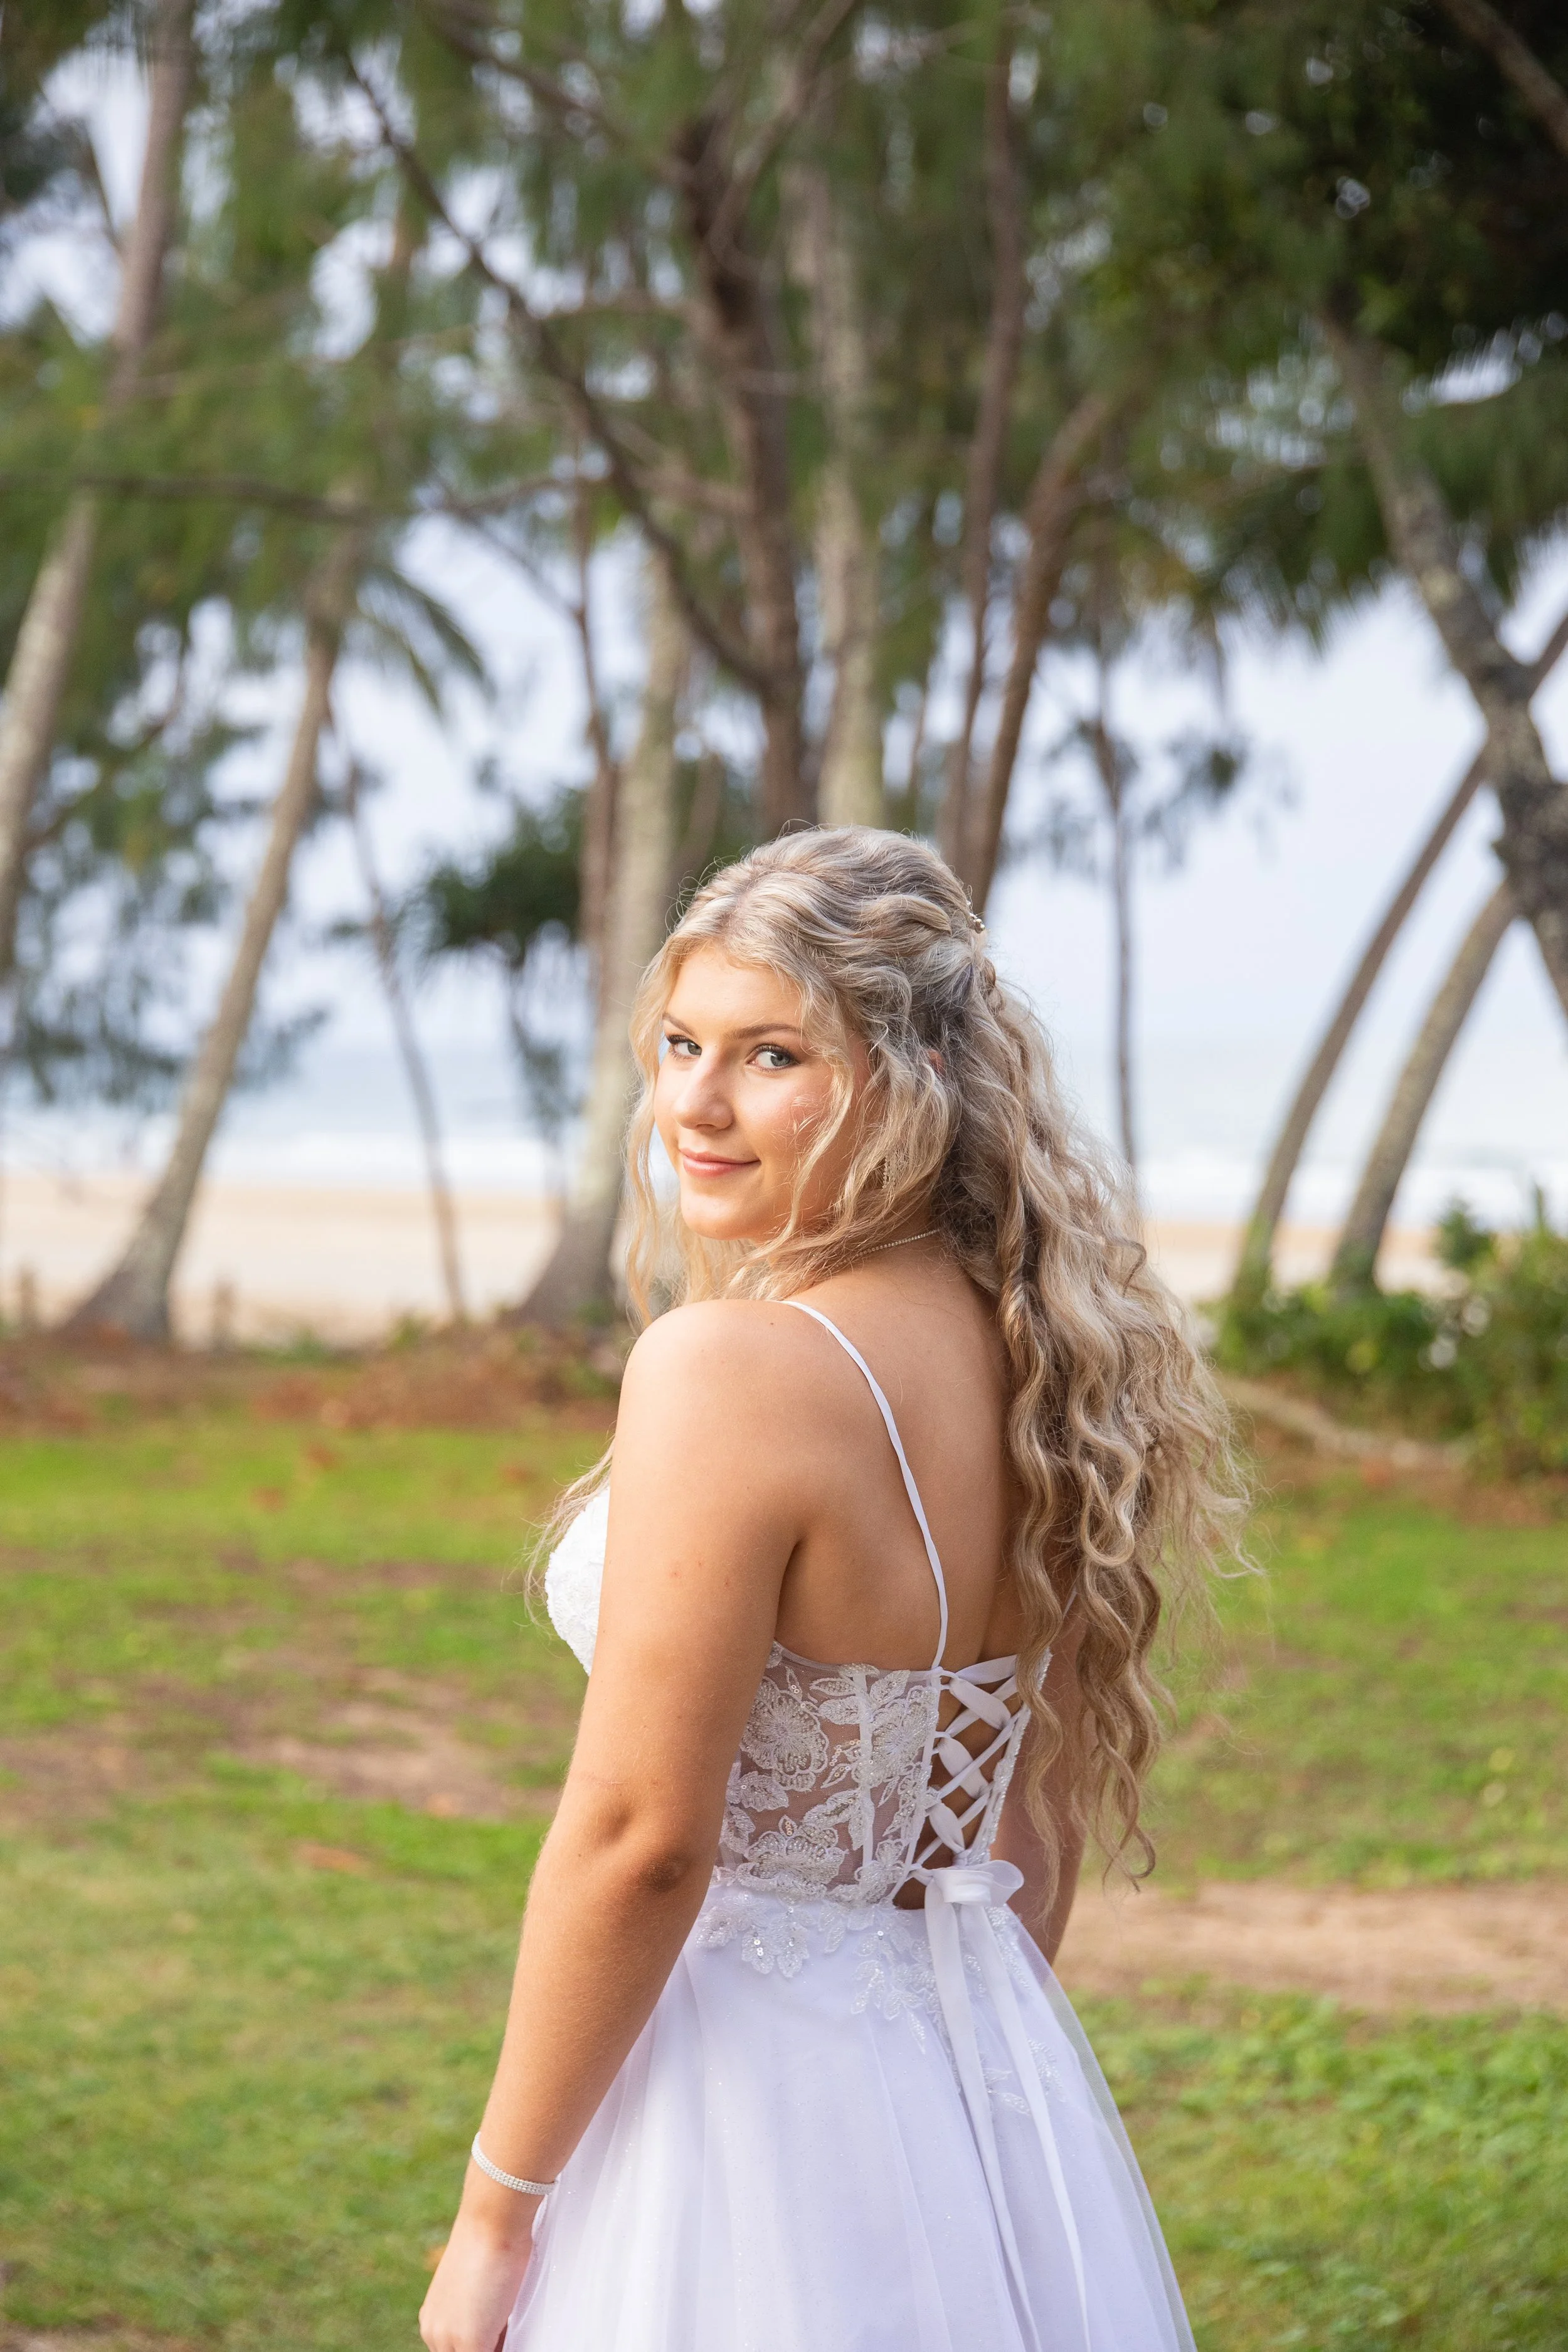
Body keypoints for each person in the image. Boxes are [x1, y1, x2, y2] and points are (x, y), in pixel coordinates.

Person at [419, 827, 1242, 2352]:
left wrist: (496, 2212)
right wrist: (939, 2087)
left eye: (771, 1054)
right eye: (678, 1044)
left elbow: (642, 1841)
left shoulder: (733, 1371)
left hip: (733, 2089)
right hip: (964, 2069)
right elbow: (1025, 1820)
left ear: (907, 1080)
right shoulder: (1047, 1362)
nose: (694, 1106)